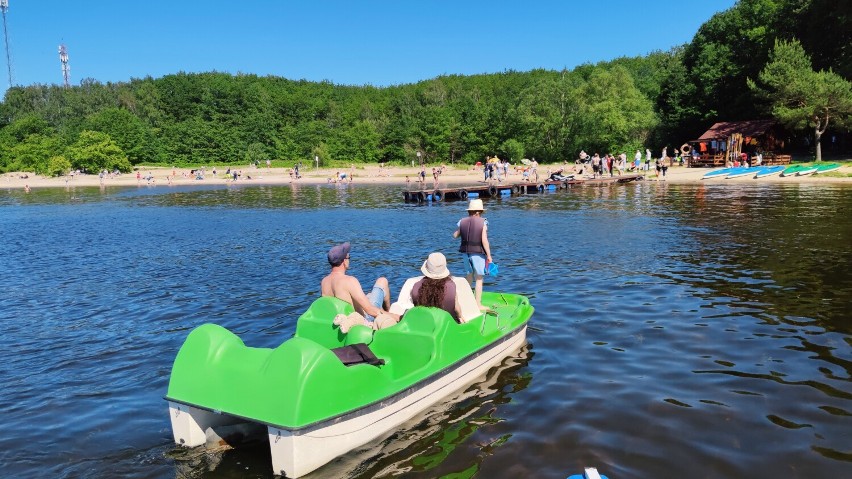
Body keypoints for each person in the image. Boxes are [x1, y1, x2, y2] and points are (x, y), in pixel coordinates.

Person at [321, 242, 398, 322]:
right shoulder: (349, 281)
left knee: (369, 295)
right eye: (349, 257)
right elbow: (370, 311)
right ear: (344, 261)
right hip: (363, 320)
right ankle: (389, 312)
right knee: (382, 281)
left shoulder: (324, 281)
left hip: (343, 319)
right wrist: (398, 317)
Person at [453, 199, 492, 309]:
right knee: (479, 278)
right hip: (478, 253)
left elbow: (455, 235)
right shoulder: (483, 222)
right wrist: (489, 256)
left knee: (469, 276)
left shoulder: (462, 221)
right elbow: (484, 240)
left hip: (466, 253)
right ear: (479, 212)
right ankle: (478, 304)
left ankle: (463, 300)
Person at [410, 252, 462, 322]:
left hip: (423, 323)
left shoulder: (416, 286)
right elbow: (457, 309)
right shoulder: (451, 286)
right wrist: (460, 317)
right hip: (446, 324)